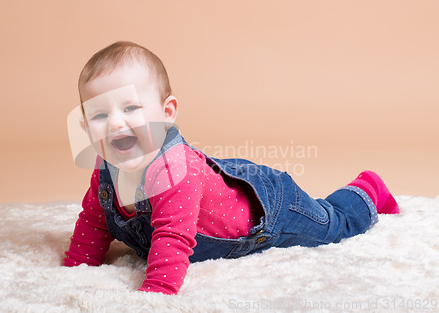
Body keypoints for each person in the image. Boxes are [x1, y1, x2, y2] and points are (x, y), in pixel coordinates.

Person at [63, 41, 400, 295]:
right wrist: (76, 269)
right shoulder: (106, 171)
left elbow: (171, 238)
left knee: (334, 225)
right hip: (220, 183)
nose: (116, 125)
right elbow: (94, 220)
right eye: (100, 115)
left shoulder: (173, 173)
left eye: (131, 108)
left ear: (167, 113)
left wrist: (157, 293)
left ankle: (368, 188)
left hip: (269, 213)